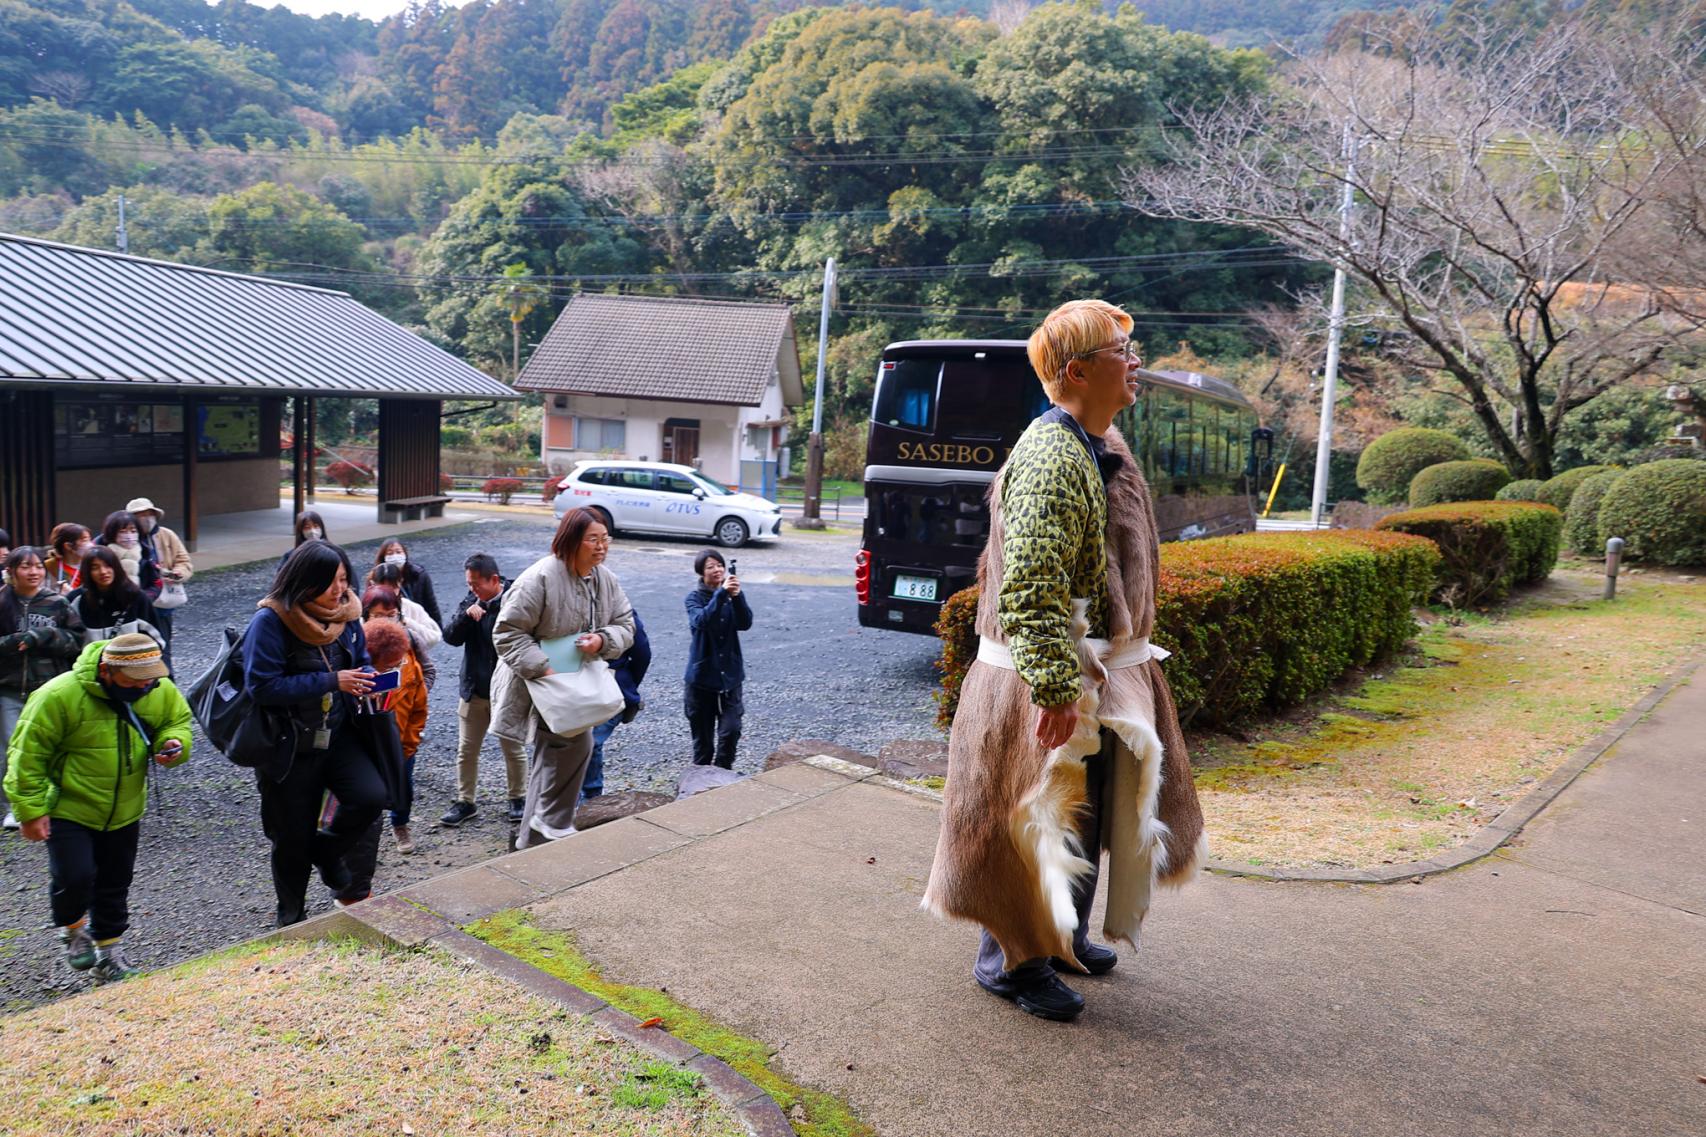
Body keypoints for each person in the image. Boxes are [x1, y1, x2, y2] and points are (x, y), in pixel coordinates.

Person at [922, 300, 1207, 1023]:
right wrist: (1052, 687)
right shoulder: (1053, 454)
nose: (1135, 361)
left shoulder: (1097, 440)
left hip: (1093, 672)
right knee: (1033, 822)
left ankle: (1063, 936)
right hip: (1038, 678)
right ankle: (1013, 962)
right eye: (1121, 350)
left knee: (1083, 817)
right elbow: (1028, 583)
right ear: (1078, 370)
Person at [4, 634, 190, 982]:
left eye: (152, 676)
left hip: (126, 807)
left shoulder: (156, 687)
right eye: (137, 679)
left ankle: (110, 954)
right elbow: (26, 757)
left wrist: (174, 744)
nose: (148, 684)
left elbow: (176, 720)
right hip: (68, 807)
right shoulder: (58, 696)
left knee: (114, 883)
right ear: (107, 670)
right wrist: (30, 811)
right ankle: (74, 930)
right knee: (74, 877)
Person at [243, 541, 404, 927]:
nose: (339, 589)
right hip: (289, 743)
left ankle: (328, 852)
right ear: (305, 581)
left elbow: (360, 662)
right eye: (331, 581)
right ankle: (291, 918)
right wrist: (333, 680)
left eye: (344, 579)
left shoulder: (348, 615)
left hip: (339, 733)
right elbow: (261, 687)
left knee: (371, 797)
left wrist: (369, 680)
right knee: (291, 839)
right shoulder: (271, 621)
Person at [491, 508, 635, 846]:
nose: (601, 547)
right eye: (593, 540)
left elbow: (626, 625)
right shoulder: (540, 577)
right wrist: (542, 666)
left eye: (605, 539)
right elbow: (507, 633)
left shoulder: (604, 579)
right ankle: (550, 822)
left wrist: (602, 640)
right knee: (570, 743)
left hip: (576, 683)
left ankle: (535, 836)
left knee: (555, 751)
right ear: (571, 541)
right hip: (537, 683)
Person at [331, 614, 427, 907]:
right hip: (359, 760)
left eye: (399, 662)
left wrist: (407, 748)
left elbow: (419, 708)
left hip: (393, 753)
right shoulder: (349, 679)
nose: (397, 667)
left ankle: (355, 889)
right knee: (358, 824)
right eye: (390, 665)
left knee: (376, 819)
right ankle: (351, 892)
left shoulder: (408, 665)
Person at [1, 548, 86, 830]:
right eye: (25, 567)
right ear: (11, 572)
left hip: (48, 688)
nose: (34, 572)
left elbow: (77, 641)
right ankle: (18, 806)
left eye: (38, 566)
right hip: (9, 688)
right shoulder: (2, 602)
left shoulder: (57, 602)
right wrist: (12, 642)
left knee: (51, 746)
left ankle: (54, 800)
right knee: (11, 748)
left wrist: (43, 636)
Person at [440, 554, 526, 827]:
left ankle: (518, 798)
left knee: (513, 748)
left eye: (477, 584)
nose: (473, 589)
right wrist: (468, 617)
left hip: (507, 691)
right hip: (474, 689)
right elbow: (450, 637)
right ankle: (466, 801)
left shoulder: (516, 599)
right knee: (467, 749)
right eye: (470, 584)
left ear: (495, 580)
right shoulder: (471, 601)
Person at [357, 586, 427, 854]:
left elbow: (419, 704)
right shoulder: (354, 656)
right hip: (365, 746)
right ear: (366, 616)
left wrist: (409, 744)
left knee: (402, 787)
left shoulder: (406, 654)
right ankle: (365, 838)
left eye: (391, 614)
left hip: (401, 742)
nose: (385, 620)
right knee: (366, 794)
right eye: (378, 615)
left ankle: (400, 825)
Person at [683, 549, 751, 769]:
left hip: (730, 675)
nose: (717, 570)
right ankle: (698, 785)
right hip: (702, 678)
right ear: (701, 573)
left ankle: (723, 775)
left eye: (719, 565)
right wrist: (721, 595)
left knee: (731, 731)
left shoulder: (732, 595)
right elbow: (701, 621)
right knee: (703, 744)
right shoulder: (693, 598)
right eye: (710, 566)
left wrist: (737, 597)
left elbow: (745, 623)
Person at [584, 612, 651, 800]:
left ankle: (590, 797)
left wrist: (626, 686)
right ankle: (583, 796)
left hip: (610, 686)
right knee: (584, 743)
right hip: (583, 686)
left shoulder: (622, 611)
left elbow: (642, 654)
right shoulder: (621, 608)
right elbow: (642, 654)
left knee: (591, 742)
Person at [124, 497, 192, 663]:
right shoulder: (125, 539)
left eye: (149, 514)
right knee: (136, 650)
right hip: (135, 603)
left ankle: (165, 681)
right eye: (140, 515)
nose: (146, 518)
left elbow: (184, 561)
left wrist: (177, 573)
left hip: (162, 603)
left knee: (163, 647)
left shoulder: (166, 535)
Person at [66, 547, 165, 650]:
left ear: (116, 567)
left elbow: (156, 639)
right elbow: (70, 640)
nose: (103, 571)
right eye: (95, 568)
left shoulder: (136, 597)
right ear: (87, 572)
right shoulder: (76, 599)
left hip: (132, 663)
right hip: (90, 665)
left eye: (108, 565)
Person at [373, 539, 441, 627]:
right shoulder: (376, 577)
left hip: (417, 624)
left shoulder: (419, 575)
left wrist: (437, 627)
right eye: (390, 553)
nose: (395, 556)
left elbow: (431, 604)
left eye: (398, 552)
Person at [96, 511, 160, 600]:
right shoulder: (99, 555)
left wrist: (144, 598)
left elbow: (155, 583)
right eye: (122, 531)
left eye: (133, 531)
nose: (129, 536)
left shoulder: (145, 553)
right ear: (112, 533)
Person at [43, 524, 92, 595]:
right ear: (68, 546)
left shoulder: (90, 566)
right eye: (84, 540)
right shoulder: (48, 566)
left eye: (89, 540)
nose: (90, 544)